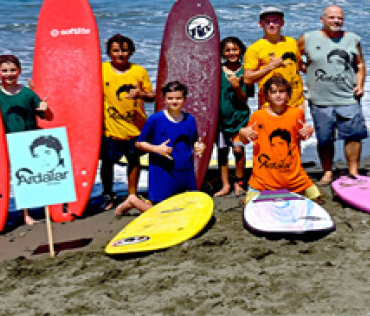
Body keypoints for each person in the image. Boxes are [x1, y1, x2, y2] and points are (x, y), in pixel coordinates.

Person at [298, 4, 367, 185]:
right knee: (324, 138)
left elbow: (359, 64)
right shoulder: (308, 38)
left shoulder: (352, 39)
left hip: (348, 97)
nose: (336, 21)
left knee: (353, 136)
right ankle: (327, 172)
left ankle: (353, 172)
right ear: (322, 20)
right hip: (320, 99)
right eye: (332, 18)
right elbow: (296, 59)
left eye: (340, 18)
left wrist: (359, 85)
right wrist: (309, 72)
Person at [238, 76, 321, 203]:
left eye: (282, 91)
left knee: (317, 199)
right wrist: (242, 132)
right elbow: (245, 141)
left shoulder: (296, 113)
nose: (278, 95)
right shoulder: (258, 116)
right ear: (266, 95)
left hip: (294, 176)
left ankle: (294, 190)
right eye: (273, 92)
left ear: (288, 94)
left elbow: (302, 136)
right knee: (250, 204)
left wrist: (309, 131)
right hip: (262, 179)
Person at [130, 82, 206, 214]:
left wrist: (200, 147)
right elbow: (139, 143)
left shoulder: (190, 119)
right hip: (162, 172)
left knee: (189, 209)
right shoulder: (155, 119)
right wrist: (156, 149)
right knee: (161, 212)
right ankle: (133, 201)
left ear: (185, 99)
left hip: (185, 171)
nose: (174, 101)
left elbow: (194, 141)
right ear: (164, 100)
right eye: (170, 98)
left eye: (178, 98)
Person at [0, 54, 52, 224]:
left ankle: (42, 208)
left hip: (28, 140)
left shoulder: (28, 94)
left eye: (13, 70)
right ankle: (24, 213)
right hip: (5, 141)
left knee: (32, 175)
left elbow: (46, 116)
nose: (9, 74)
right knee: (17, 177)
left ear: (19, 71)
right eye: (4, 70)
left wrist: (45, 109)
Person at [100, 34, 155, 212]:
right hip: (110, 128)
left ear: (130, 51)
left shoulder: (138, 71)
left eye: (124, 50)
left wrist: (141, 94)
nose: (120, 54)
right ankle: (108, 195)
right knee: (107, 163)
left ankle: (132, 194)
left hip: (135, 128)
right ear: (109, 52)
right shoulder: (101, 70)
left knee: (134, 160)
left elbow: (152, 96)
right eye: (116, 50)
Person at [215, 36, 254, 197]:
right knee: (222, 152)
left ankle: (239, 183)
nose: (232, 53)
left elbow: (245, 98)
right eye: (228, 50)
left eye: (235, 49)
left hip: (240, 118)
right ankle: (225, 185)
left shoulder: (246, 71)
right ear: (222, 53)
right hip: (220, 119)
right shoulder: (217, 70)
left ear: (241, 50)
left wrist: (237, 87)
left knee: (238, 150)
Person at [244, 6, 304, 108]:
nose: (271, 25)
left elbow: (301, 66)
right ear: (260, 24)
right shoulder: (254, 48)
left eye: (275, 21)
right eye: (267, 22)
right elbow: (248, 79)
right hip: (269, 106)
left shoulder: (292, 42)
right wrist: (271, 66)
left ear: (282, 23)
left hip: (297, 104)